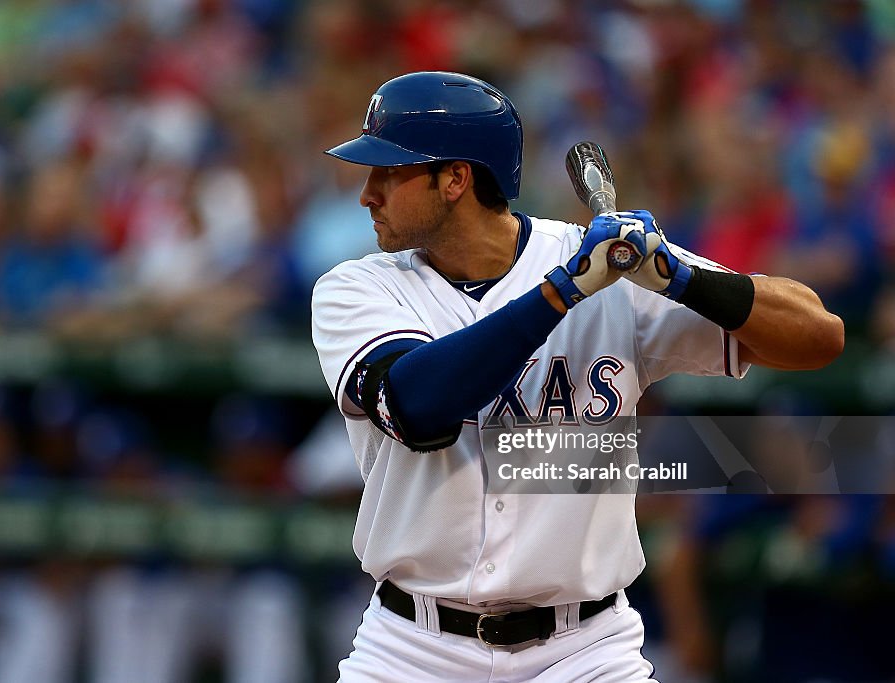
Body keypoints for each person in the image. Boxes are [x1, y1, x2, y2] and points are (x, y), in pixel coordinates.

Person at [310, 71, 843, 683]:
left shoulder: (604, 267)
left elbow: (819, 337)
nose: (367, 193)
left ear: (455, 179)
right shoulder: (358, 287)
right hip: (413, 650)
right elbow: (418, 406)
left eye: (389, 171)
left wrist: (678, 277)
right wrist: (564, 292)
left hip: (585, 651)